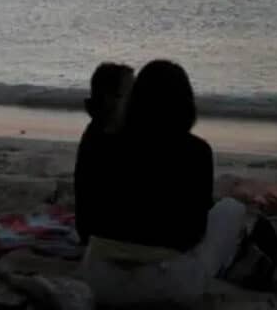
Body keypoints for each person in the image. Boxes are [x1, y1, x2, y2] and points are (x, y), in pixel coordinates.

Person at [81, 60, 247, 306]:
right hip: (164, 284)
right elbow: (193, 233)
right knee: (232, 209)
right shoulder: (197, 151)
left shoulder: (105, 144)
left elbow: (89, 216)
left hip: (99, 279)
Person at [73, 62, 134, 243]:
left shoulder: (98, 131)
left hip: (95, 232)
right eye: (131, 94)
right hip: (108, 236)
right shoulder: (106, 140)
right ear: (111, 99)